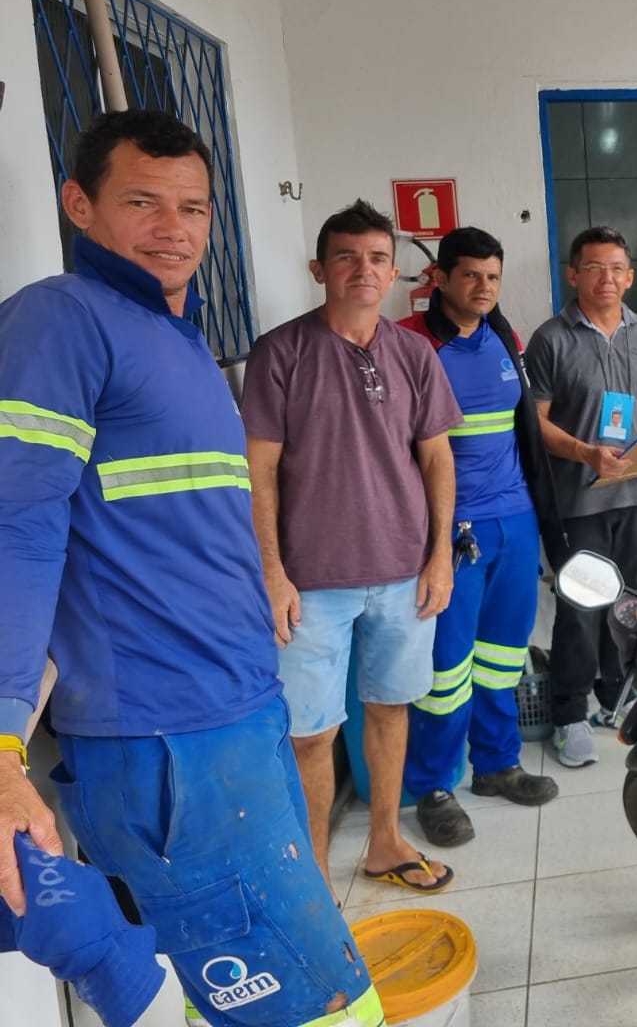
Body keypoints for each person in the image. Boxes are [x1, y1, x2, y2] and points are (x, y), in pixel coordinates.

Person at [0, 110, 383, 1023]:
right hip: (170, 742)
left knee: (279, 990)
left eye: (194, 208)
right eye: (143, 202)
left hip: (236, 712)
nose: (174, 229)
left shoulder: (175, 336)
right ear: (79, 204)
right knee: (310, 1007)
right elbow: (16, 529)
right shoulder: (62, 320)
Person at [243, 198, 462, 897]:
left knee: (391, 708)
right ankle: (312, 875)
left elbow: (437, 458)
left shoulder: (414, 353)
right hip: (310, 579)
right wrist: (272, 572)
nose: (362, 270)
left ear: (394, 272)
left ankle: (385, 841)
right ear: (320, 268)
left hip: (404, 571)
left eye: (376, 258)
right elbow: (259, 470)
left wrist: (440, 555)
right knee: (310, 732)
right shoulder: (281, 352)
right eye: (346, 257)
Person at [398, 226, 561, 848]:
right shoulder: (410, 342)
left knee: (501, 655)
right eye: (470, 275)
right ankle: (434, 785)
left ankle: (497, 763)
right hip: (449, 528)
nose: (484, 287)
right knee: (446, 667)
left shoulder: (504, 336)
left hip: (514, 520)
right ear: (439, 278)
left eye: (492, 276)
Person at [526, 226, 637, 768]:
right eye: (594, 268)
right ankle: (569, 714)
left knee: (630, 604)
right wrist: (587, 453)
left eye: (616, 268)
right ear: (574, 275)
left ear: (630, 277)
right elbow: (536, 424)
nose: (606, 278)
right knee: (580, 606)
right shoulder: (551, 338)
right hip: (579, 499)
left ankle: (615, 699)